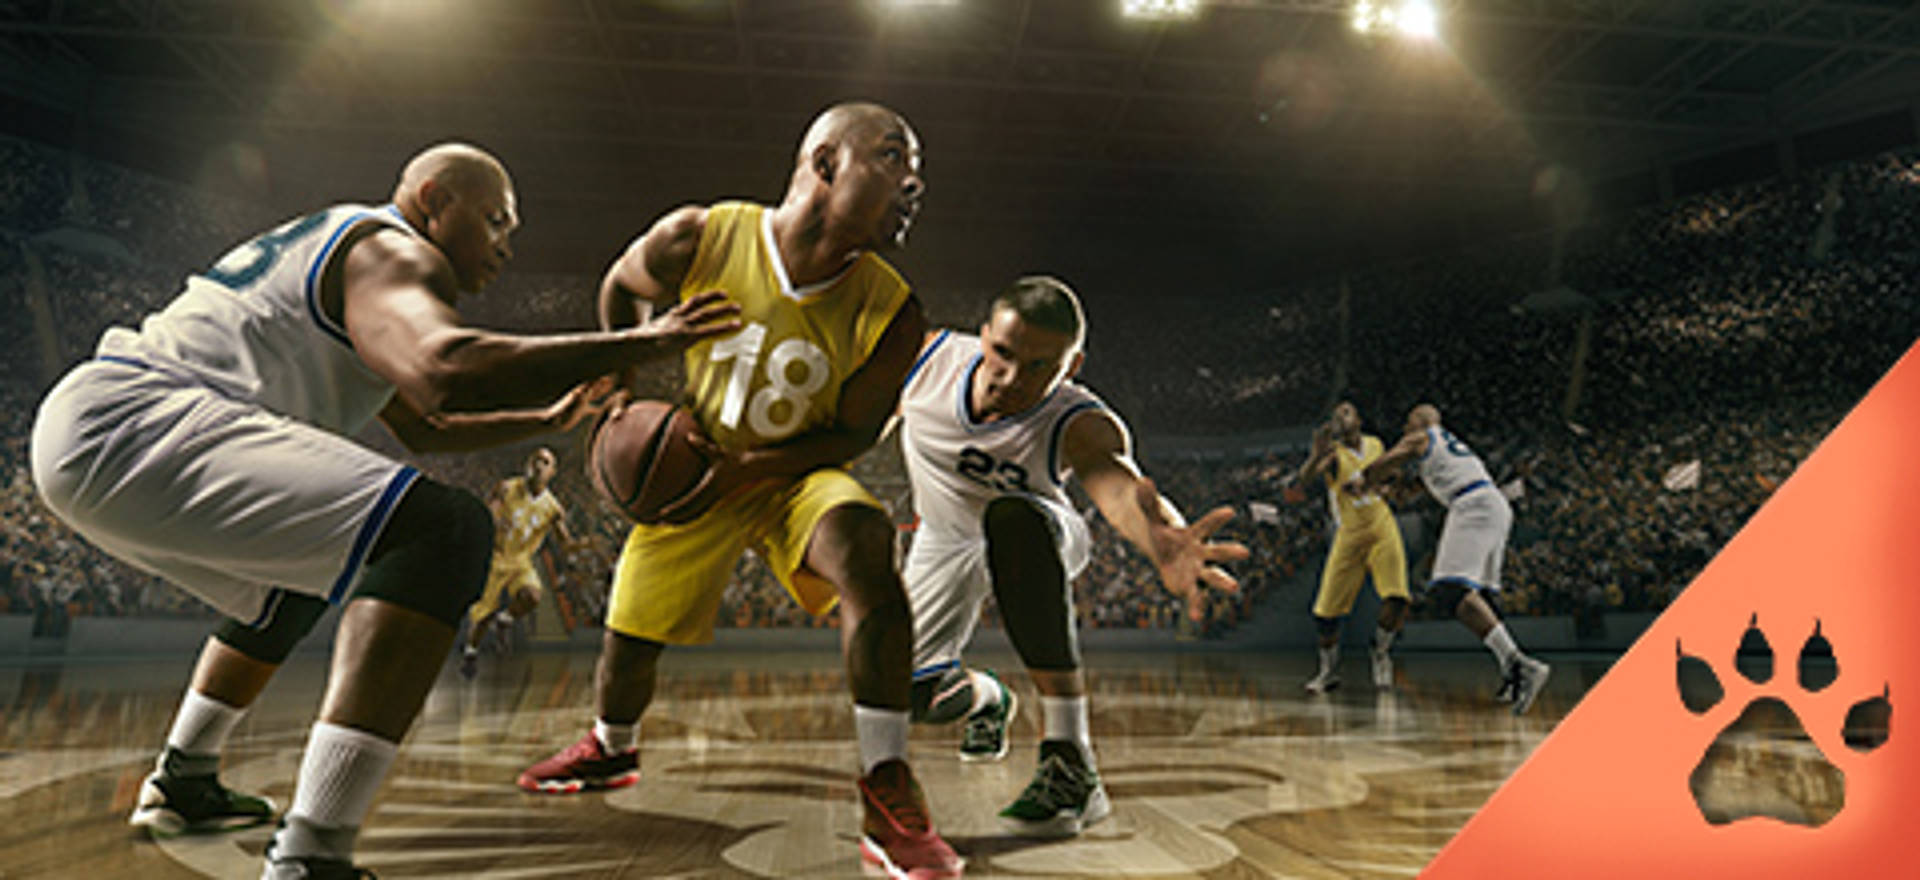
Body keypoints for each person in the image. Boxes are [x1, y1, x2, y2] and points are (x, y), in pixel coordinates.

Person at [30, 142, 739, 879]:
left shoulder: (359, 265)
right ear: (433, 200)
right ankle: (314, 853)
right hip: (140, 421)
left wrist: (551, 418)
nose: (507, 243)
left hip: (99, 430)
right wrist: (639, 341)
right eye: (496, 220)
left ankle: (183, 780)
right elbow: (442, 374)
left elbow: (425, 427)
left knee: (292, 583)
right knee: (445, 531)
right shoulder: (396, 255)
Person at [514, 102, 962, 879]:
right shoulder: (704, 235)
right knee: (627, 642)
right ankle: (610, 750)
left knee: (865, 544)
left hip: (793, 476)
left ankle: (886, 787)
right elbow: (622, 287)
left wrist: (754, 469)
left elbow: (854, 437)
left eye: (915, 167)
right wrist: (622, 383)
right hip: (697, 462)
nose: (914, 180)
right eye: (893, 157)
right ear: (825, 165)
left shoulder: (894, 309)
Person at [896, 276, 1248, 837]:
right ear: (982, 334)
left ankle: (1069, 759)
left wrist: (1161, 535)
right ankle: (990, 699)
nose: (1011, 378)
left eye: (1039, 367)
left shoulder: (1080, 418)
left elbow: (1119, 488)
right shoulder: (926, 360)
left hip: (1038, 529)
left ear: (1072, 365)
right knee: (910, 696)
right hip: (942, 537)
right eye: (1002, 353)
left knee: (1010, 516)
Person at [1361, 404, 1552, 715]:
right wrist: (1393, 488)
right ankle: (1511, 676)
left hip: (1472, 505)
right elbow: (1413, 488)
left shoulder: (1422, 435)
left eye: (1407, 422)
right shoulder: (1449, 448)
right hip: (1494, 504)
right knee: (1485, 598)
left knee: (1451, 590)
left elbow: (1380, 465)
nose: (1405, 429)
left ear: (1421, 422)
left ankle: (1520, 664)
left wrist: (1365, 479)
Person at [1294, 401, 1410, 693]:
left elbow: (1392, 475)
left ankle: (1381, 653)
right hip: (1349, 533)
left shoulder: (1375, 444)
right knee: (1325, 616)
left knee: (1397, 598)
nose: (1340, 418)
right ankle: (1328, 671)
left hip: (1381, 524)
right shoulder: (1334, 454)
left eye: (1346, 412)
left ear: (1358, 419)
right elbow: (1304, 480)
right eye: (1336, 415)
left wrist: (1386, 486)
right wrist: (1314, 455)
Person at [459, 446, 588, 675]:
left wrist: (583, 544)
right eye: (535, 460)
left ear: (553, 472)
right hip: (496, 557)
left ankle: (506, 619)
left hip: (521, 561)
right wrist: (495, 521)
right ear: (527, 465)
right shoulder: (507, 488)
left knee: (533, 596)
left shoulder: (553, 508)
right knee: (482, 617)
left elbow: (565, 542)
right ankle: (471, 652)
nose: (538, 465)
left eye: (545, 462)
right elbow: (490, 512)